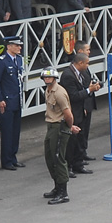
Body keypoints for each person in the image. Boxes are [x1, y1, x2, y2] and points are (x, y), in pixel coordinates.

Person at [59, 52, 101, 175]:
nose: (88, 66)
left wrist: (90, 88)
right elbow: (73, 96)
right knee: (71, 141)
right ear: (80, 63)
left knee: (79, 139)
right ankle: (68, 167)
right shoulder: (68, 75)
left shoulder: (80, 73)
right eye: (87, 63)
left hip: (81, 111)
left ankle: (78, 164)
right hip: (72, 112)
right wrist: (89, 90)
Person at [40, 68, 77, 204]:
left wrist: (69, 126)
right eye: (45, 77)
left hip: (59, 127)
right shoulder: (48, 90)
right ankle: (57, 187)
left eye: (49, 78)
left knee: (58, 158)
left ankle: (63, 192)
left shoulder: (59, 93)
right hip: (51, 126)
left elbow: (68, 114)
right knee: (50, 157)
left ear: (55, 78)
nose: (47, 79)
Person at [0, 35, 25, 170]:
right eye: (16, 45)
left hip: (17, 99)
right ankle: (6, 160)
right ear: (9, 46)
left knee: (15, 131)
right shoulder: (1, 61)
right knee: (7, 131)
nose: (19, 47)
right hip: (6, 101)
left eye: (20, 45)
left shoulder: (19, 60)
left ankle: (13, 157)